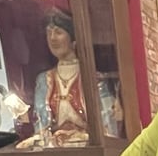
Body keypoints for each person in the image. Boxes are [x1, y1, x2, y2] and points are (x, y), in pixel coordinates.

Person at [32, 10, 119, 147]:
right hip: (54, 149)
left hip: (87, 148)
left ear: (73, 39)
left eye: (58, 32)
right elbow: (41, 124)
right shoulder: (44, 79)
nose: (52, 38)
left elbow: (108, 127)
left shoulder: (95, 79)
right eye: (49, 33)